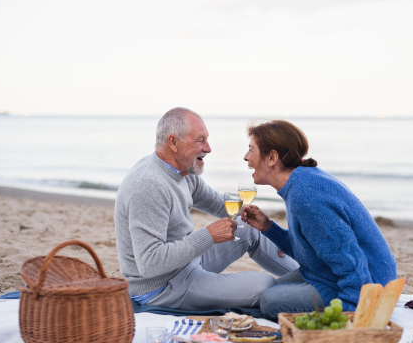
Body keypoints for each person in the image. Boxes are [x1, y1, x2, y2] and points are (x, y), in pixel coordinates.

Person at [114, 108, 298, 311]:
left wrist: (271, 234)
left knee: (249, 226)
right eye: (200, 140)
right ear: (173, 142)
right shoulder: (149, 185)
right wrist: (209, 235)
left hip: (187, 264)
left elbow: (219, 204)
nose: (208, 148)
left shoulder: (182, 172)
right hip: (163, 287)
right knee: (265, 285)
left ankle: (311, 278)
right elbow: (149, 264)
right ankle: (303, 292)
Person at [241, 120, 398, 319]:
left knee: (270, 301)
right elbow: (310, 249)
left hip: (370, 284)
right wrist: (268, 227)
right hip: (327, 273)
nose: (246, 157)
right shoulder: (299, 182)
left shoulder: (307, 194)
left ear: (272, 157)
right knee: (264, 292)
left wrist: (348, 315)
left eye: (250, 150)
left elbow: (351, 261)